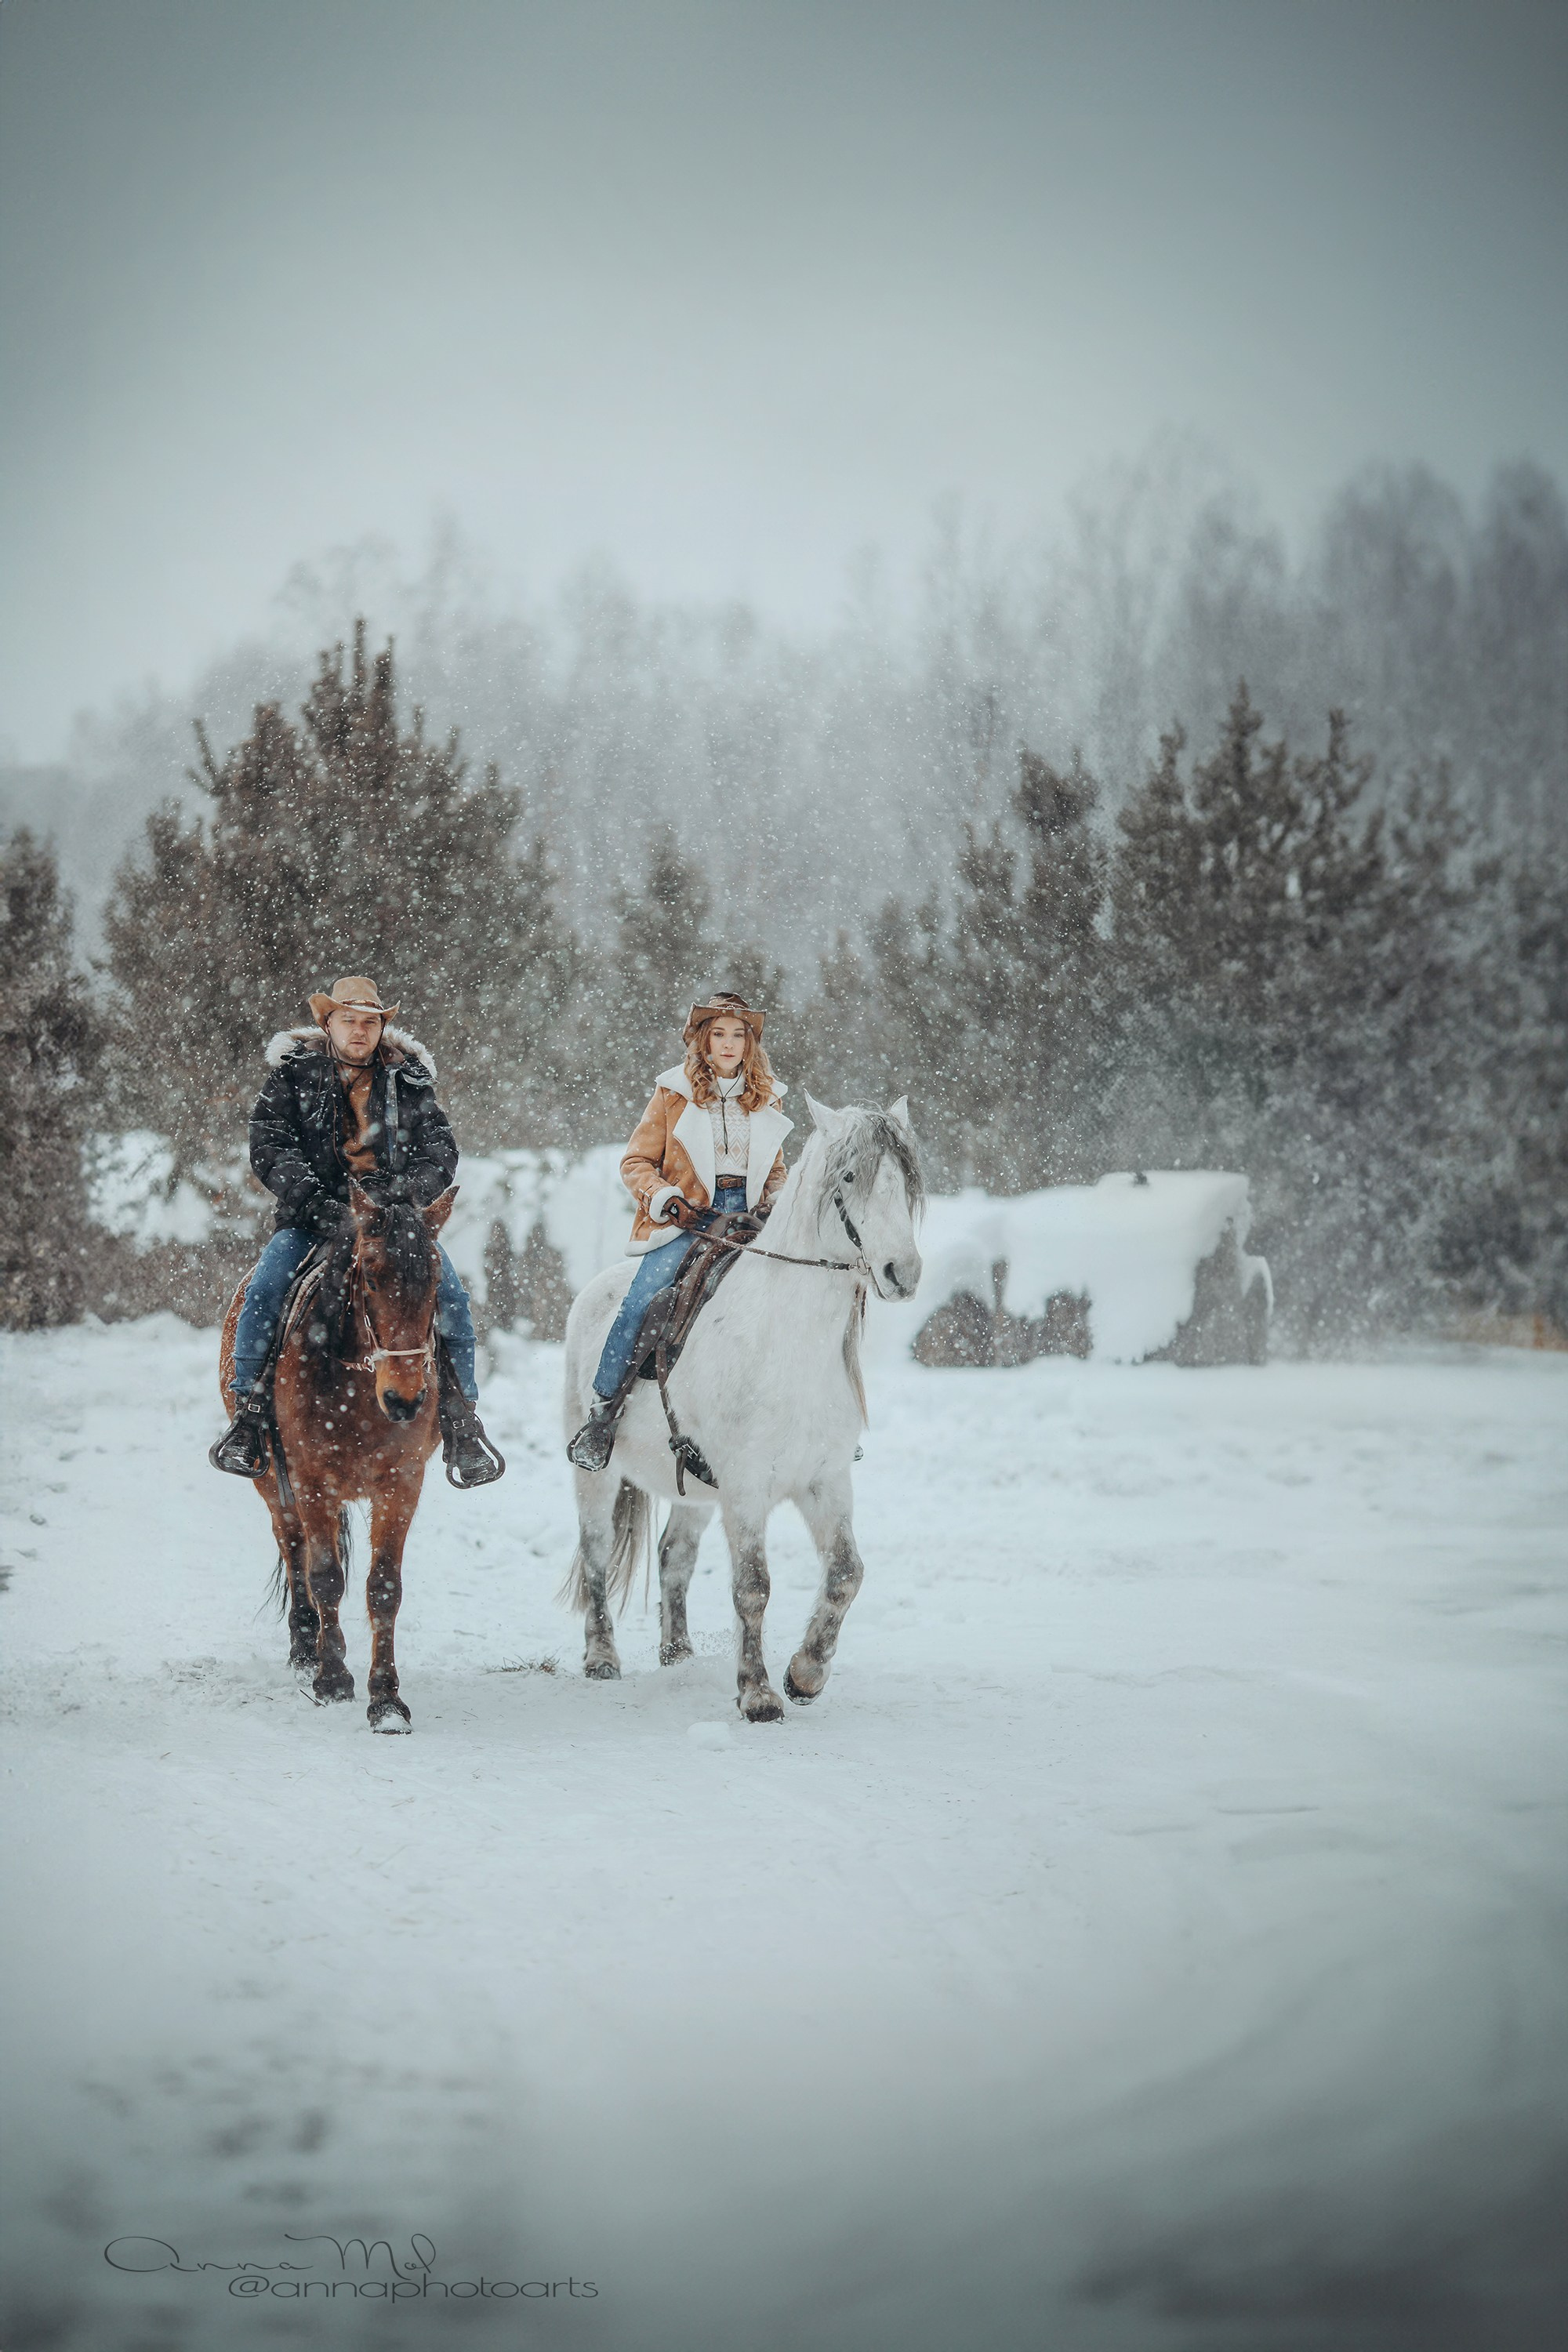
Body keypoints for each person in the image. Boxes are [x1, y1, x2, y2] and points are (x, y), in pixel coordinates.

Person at [209, 975, 503, 1486]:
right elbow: (270, 1147)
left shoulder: (408, 1080)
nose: (360, 1030)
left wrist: (401, 1202)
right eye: (350, 1020)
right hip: (312, 1220)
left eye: (370, 1021)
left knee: (451, 1296)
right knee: (264, 1289)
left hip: (391, 1225)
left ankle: (461, 1421)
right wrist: (316, 1203)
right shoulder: (291, 1077)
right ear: (329, 1023)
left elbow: (441, 1152)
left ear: (382, 1027)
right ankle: (250, 1415)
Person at [567, 990, 793, 1472]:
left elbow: (775, 1171)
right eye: (719, 1034)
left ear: (750, 1044)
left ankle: (812, 1416)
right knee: (642, 1300)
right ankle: (603, 1417)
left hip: (751, 1220)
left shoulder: (766, 1099)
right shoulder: (673, 1095)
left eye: (739, 1035)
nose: (729, 1044)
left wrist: (776, 1201)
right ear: (703, 1041)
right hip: (689, 1218)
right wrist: (666, 1198)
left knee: (804, 1294)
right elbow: (636, 1162)